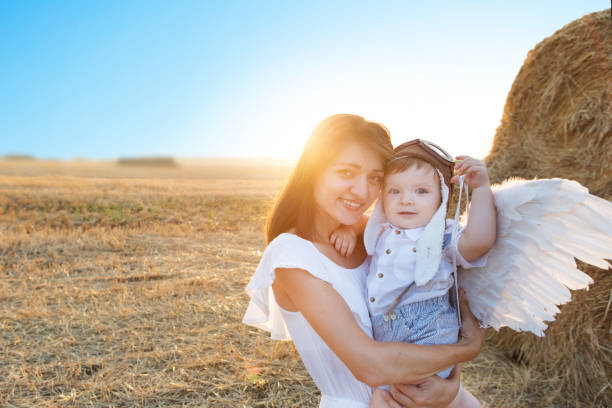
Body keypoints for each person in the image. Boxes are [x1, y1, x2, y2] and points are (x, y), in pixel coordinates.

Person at [242, 114, 485, 408]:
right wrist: (467, 349)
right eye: (346, 172)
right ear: (313, 171)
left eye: (375, 179)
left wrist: (450, 384)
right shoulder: (292, 255)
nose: (362, 192)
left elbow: (432, 312)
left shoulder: (378, 235)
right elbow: (370, 366)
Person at [330, 140, 496, 406]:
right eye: (394, 191)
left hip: (428, 343)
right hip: (389, 346)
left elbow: (480, 241)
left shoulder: (442, 236)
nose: (406, 199)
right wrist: (347, 231)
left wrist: (482, 189)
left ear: (441, 198)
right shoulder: (380, 230)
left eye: (421, 191)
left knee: (385, 400)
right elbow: (363, 224)